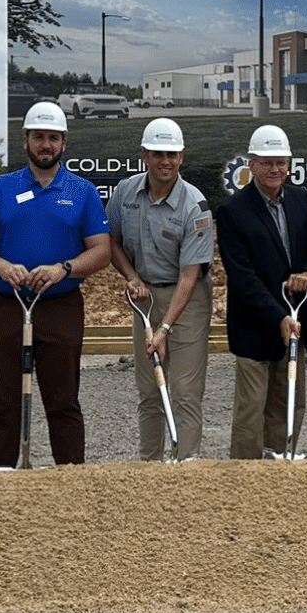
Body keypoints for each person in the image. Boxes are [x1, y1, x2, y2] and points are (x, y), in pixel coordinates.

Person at [0, 101, 111, 467]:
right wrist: (2, 265)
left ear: (64, 143)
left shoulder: (82, 191)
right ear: (25, 141)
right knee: (4, 402)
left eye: (52, 138)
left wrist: (64, 268)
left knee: (63, 401)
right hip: (8, 305)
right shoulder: (2, 188)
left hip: (60, 307)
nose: (45, 144)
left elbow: (101, 251)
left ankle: (70, 479)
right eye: (38, 137)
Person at [107, 117, 213, 461]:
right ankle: (149, 466)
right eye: (157, 153)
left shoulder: (194, 206)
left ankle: (187, 464)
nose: (164, 161)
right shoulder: (125, 194)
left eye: (171, 154)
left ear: (181, 158)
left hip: (187, 298)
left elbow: (189, 275)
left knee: (183, 389)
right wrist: (131, 277)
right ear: (144, 156)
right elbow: (113, 242)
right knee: (150, 389)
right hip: (145, 298)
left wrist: (165, 328)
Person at [217, 124, 307, 459]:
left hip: (295, 320)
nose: (276, 169)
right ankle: (246, 479)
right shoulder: (233, 212)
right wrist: (277, 317)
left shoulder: (299, 200)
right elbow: (242, 277)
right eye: (268, 162)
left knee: (289, 403)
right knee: (251, 414)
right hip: (255, 326)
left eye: (282, 162)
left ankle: (280, 469)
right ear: (252, 164)